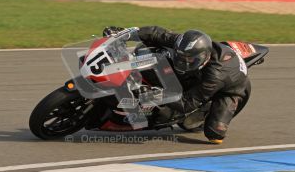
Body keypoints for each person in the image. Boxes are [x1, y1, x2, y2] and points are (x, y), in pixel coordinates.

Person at [103, 26, 251, 144]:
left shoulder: (214, 76)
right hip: (206, 69)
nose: (183, 63)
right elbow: (156, 33)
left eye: (189, 60)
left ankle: (213, 115)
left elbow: (187, 103)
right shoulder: (183, 44)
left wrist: (153, 94)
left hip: (231, 89)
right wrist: (125, 34)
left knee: (214, 135)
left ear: (204, 58)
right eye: (180, 57)